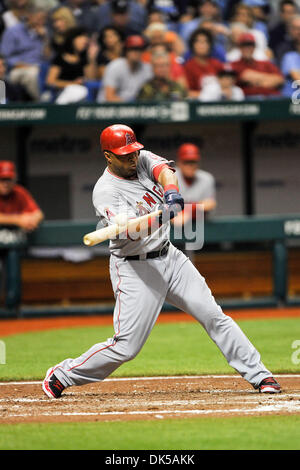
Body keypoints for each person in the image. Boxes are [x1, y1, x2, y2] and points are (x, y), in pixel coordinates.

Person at [42, 123, 281, 399]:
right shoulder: (105, 192)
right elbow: (132, 230)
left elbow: (164, 171)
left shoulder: (140, 158)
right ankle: (62, 374)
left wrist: (171, 193)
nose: (132, 159)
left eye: (133, 152)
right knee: (126, 347)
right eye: (124, 155)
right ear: (108, 156)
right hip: (134, 267)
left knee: (214, 316)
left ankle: (260, 374)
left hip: (170, 256)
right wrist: (164, 215)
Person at [0, 6, 49, 101]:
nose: (41, 21)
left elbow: (49, 57)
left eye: (43, 19)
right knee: (33, 74)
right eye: (38, 18)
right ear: (29, 16)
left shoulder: (44, 32)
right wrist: (24, 66)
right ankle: (41, 105)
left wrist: (45, 39)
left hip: (41, 68)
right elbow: (5, 56)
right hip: (18, 69)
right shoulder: (13, 31)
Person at [46, 26, 98, 104]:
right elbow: (50, 81)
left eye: (85, 38)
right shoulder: (60, 58)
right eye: (81, 38)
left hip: (82, 94)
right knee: (79, 91)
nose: (85, 40)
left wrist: (91, 58)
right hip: (62, 91)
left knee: (82, 91)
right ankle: (58, 109)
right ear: (72, 40)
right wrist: (73, 83)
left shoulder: (84, 58)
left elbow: (91, 79)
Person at [173, 142, 217, 230]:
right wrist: (198, 207)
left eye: (193, 162)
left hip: (201, 229)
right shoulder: (170, 177)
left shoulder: (206, 178)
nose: (190, 166)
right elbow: (171, 215)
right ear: (179, 163)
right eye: (186, 162)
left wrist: (186, 212)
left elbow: (210, 204)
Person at [97, 34, 152, 102]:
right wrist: (129, 106)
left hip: (133, 108)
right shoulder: (115, 67)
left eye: (139, 49)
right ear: (126, 51)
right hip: (108, 108)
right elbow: (109, 97)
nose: (137, 52)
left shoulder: (147, 68)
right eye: (133, 49)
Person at [230, 32, 284, 97]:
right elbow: (246, 76)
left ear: (254, 47)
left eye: (250, 45)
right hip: (250, 100)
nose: (247, 48)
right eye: (244, 45)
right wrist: (269, 79)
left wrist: (256, 81)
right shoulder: (234, 65)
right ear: (239, 47)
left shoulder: (265, 63)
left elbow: (280, 79)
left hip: (271, 98)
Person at [0, 161, 44, 232]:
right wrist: (18, 220)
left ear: (14, 179)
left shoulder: (19, 192)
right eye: (2, 179)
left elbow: (38, 214)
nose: (6, 184)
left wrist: (31, 221)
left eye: (8, 179)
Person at [183, 28, 224, 98]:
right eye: (198, 42)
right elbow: (187, 92)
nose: (202, 45)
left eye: (205, 42)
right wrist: (207, 95)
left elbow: (226, 85)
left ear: (209, 45)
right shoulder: (188, 67)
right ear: (193, 45)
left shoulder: (217, 64)